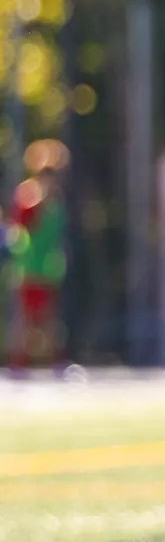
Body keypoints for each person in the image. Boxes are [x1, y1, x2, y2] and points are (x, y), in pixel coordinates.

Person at [6, 139, 70, 374]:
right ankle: (18, 363)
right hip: (29, 267)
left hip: (49, 268)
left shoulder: (56, 199)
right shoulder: (28, 195)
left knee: (50, 319)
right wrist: (37, 204)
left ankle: (57, 361)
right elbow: (22, 224)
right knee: (25, 319)